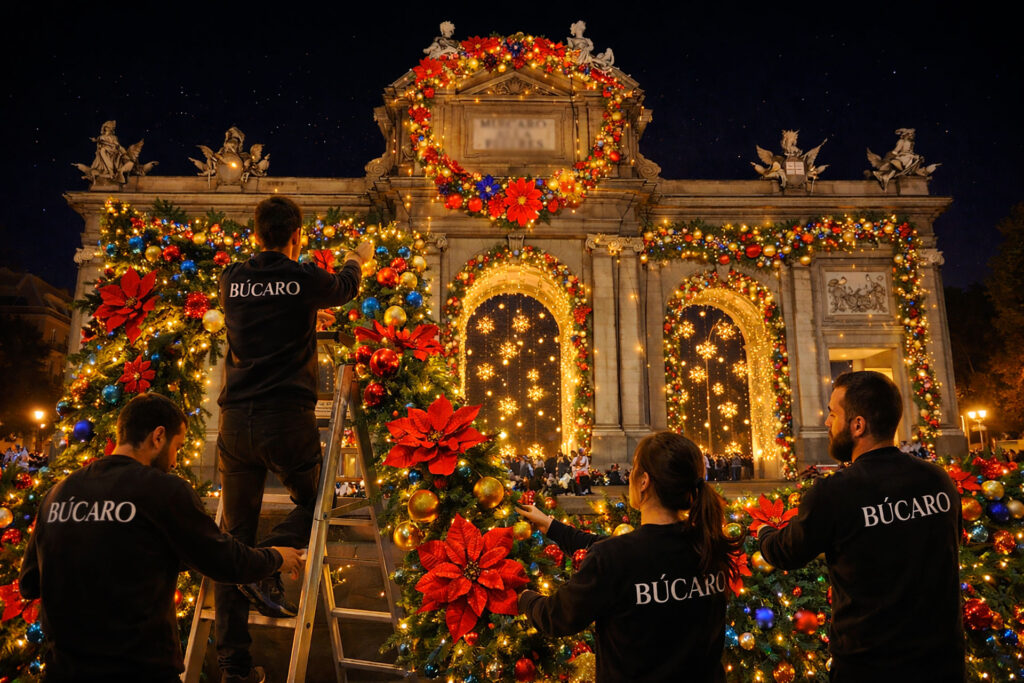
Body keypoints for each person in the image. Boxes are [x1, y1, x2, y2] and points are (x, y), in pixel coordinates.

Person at [18, 393, 303, 683]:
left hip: (63, 671)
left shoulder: (58, 493)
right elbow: (225, 561)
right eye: (177, 447)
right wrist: (277, 557)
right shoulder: (162, 490)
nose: (176, 461)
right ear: (158, 436)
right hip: (139, 669)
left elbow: (29, 583)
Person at [215, 196, 371, 682]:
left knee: (231, 538)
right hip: (286, 420)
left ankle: (234, 665)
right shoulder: (304, 278)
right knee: (322, 504)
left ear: (256, 234)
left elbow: (263, 313)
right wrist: (357, 258)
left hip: (235, 422)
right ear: (297, 236)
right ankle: (266, 562)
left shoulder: (230, 280)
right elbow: (343, 288)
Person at [757, 371, 964, 681]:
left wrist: (762, 531)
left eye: (832, 413)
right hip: (942, 662)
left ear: (858, 424)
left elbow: (786, 552)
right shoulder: (938, 479)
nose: (826, 422)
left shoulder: (834, 492)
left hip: (869, 665)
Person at [516, 432, 741, 682]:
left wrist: (523, 597)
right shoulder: (711, 543)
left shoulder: (615, 558)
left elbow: (556, 617)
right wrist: (552, 525)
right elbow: (614, 550)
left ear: (644, 481)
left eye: (634, 467)